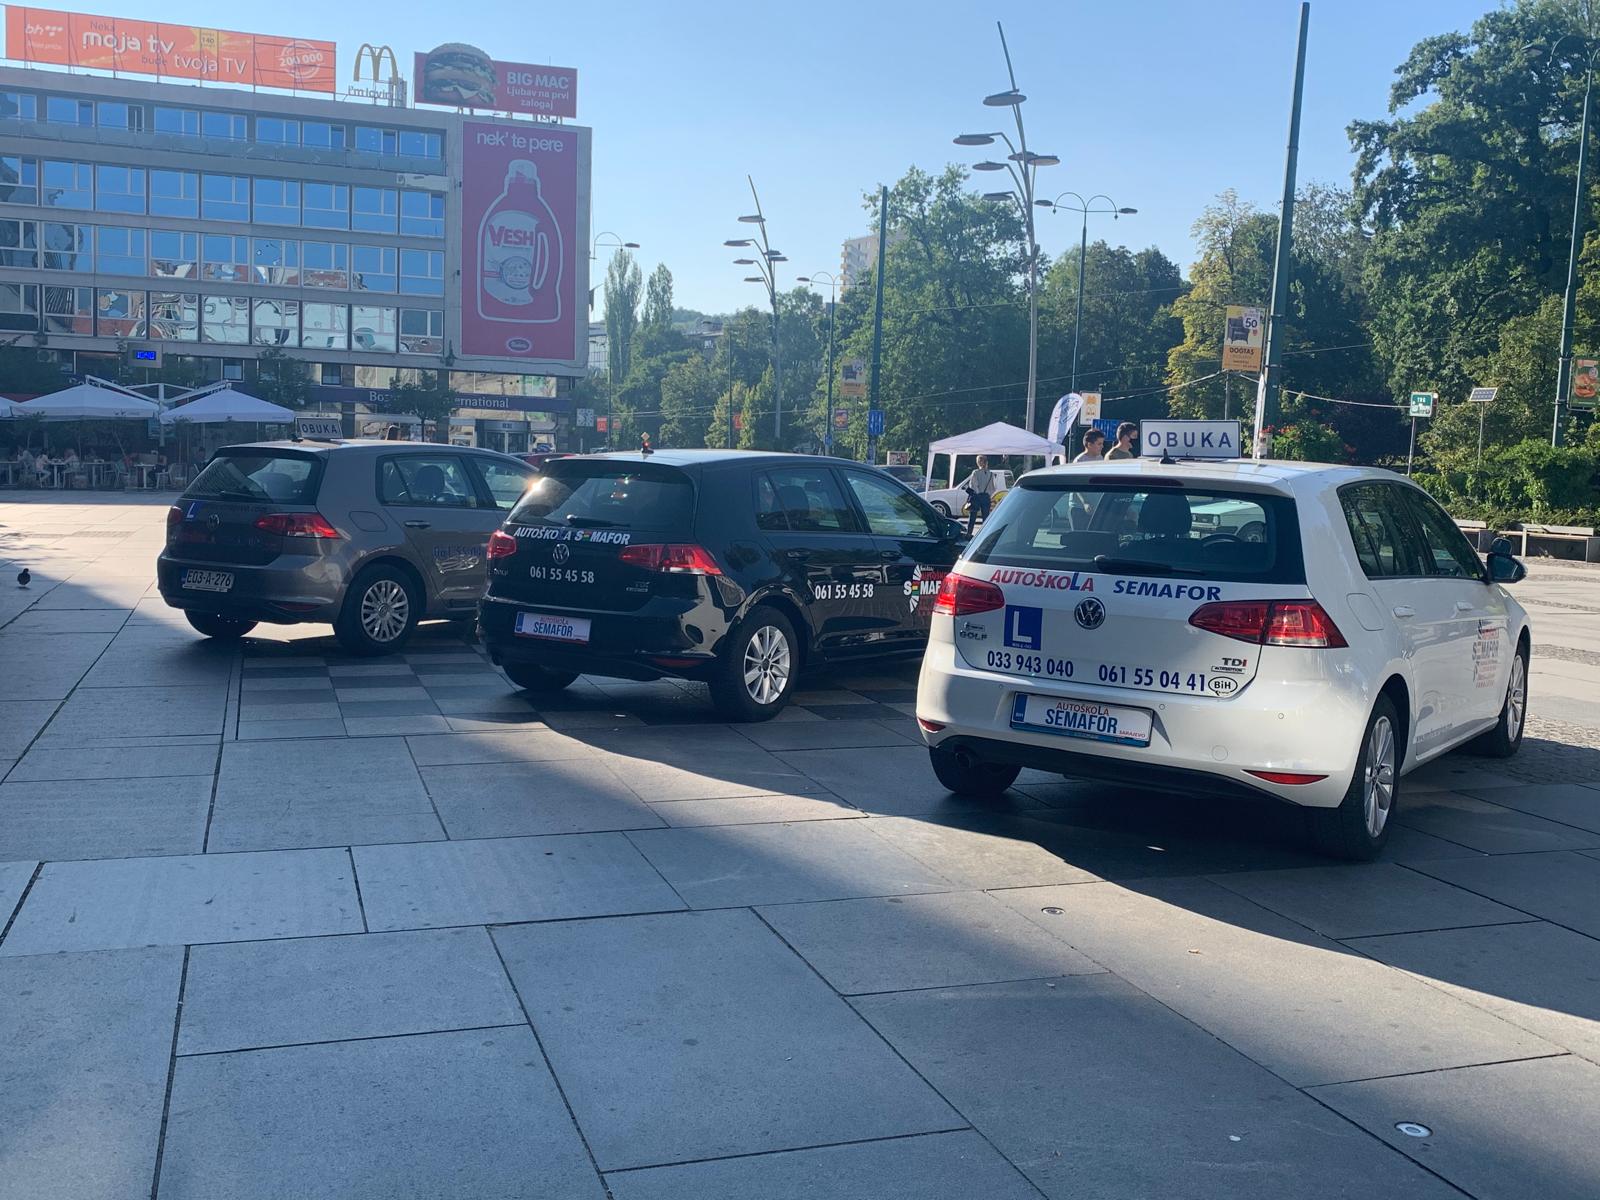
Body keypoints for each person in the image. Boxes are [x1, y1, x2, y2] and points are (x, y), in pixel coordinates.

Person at [958, 454, 1001, 534]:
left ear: (979, 462)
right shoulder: (991, 474)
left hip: (976, 497)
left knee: (972, 517)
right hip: (986, 497)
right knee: (985, 518)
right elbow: (994, 487)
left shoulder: (975, 472)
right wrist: (988, 494)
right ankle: (984, 534)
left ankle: (969, 534)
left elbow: (973, 485)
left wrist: (977, 493)